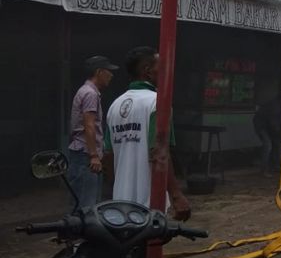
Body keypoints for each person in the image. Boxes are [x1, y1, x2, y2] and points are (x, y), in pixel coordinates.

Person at [104, 46, 190, 221]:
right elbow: (159, 153)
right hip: (150, 205)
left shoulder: (115, 106)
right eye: (161, 67)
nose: (166, 72)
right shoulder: (157, 103)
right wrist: (176, 195)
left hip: (120, 204)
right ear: (148, 71)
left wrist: (118, 188)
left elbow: (108, 155)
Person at [67, 56, 119, 208]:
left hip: (82, 153)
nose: (111, 75)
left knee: (81, 202)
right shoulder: (90, 93)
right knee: (86, 205)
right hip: (86, 155)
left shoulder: (85, 91)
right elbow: (89, 125)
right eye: (108, 71)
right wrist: (94, 155)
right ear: (99, 72)